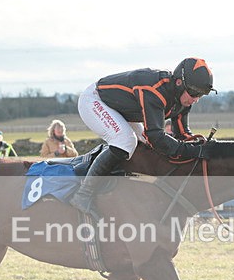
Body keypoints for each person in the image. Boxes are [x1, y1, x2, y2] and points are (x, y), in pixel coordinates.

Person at [70, 57, 215, 217]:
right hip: (95, 100)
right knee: (125, 141)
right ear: (179, 83)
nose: (195, 99)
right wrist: (191, 150)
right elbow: (156, 136)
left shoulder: (183, 98)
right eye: (194, 93)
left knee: (145, 145)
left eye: (201, 95)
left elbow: (182, 134)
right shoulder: (154, 90)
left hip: (122, 109)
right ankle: (83, 195)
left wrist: (199, 145)